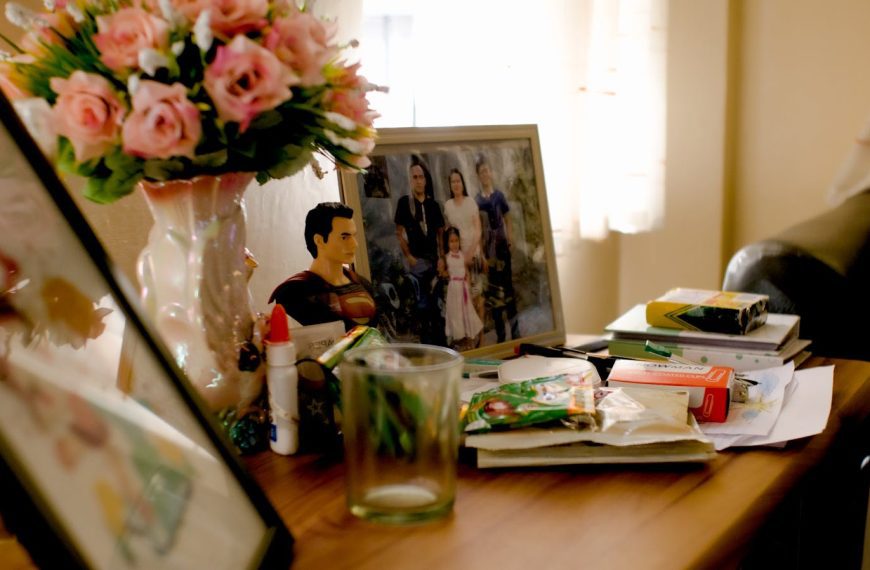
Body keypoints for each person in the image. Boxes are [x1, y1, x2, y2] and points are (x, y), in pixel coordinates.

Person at [269, 202, 377, 331]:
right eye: (344, 237)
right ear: (319, 240)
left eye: (354, 236)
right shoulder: (293, 292)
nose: (354, 244)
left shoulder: (362, 284)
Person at [393, 156, 446, 344]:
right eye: (414, 177)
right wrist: (408, 256)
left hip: (433, 261)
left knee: (437, 307)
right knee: (422, 307)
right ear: (410, 180)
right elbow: (399, 233)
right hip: (417, 263)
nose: (418, 180)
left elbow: (440, 234)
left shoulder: (433, 205)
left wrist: (442, 258)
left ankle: (442, 347)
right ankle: (428, 349)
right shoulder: (404, 203)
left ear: (425, 179)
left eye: (421, 177)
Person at [475, 155, 519, 343]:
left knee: (508, 290)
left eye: (487, 170)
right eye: (481, 172)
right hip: (488, 251)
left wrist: (510, 237)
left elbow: (507, 218)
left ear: (491, 173)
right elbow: (478, 226)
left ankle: (515, 332)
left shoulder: (499, 196)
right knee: (494, 295)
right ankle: (501, 335)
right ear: (478, 176)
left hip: (502, 248)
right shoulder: (477, 200)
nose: (485, 174)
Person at [442, 168, 486, 326]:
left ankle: (481, 340)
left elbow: (478, 230)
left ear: (462, 183)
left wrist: (470, 254)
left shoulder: (470, 202)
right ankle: (470, 339)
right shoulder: (448, 206)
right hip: (457, 260)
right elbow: (449, 233)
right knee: (464, 302)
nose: (456, 184)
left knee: (477, 297)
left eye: (458, 181)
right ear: (450, 185)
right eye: (452, 181)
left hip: (473, 256)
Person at [441, 227, 483, 350]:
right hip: (454, 290)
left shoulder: (462, 256)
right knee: (456, 315)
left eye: (456, 241)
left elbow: (467, 273)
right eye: (451, 241)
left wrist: (468, 287)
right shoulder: (447, 257)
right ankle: (461, 341)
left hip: (463, 289)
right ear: (447, 243)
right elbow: (443, 272)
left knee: (467, 314)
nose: (454, 244)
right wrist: (448, 274)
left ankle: (469, 340)